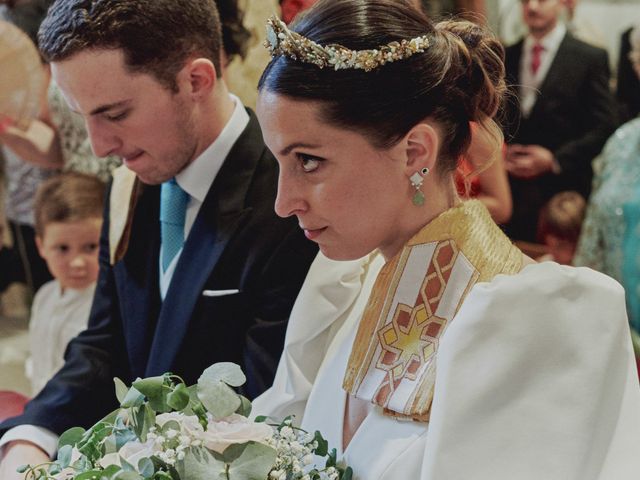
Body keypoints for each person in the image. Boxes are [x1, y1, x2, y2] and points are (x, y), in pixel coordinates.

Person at [251, 1, 640, 478]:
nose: (283, 202)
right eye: (279, 163)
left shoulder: (535, 321)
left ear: (415, 151)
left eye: (309, 161)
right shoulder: (344, 282)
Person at [0, 0, 317, 477]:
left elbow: (265, 409)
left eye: (115, 113)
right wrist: (33, 436)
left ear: (196, 80)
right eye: (81, 115)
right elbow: (106, 341)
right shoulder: (130, 184)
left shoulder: (288, 203)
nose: (98, 145)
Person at [502, 0, 616, 242]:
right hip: (514, 195)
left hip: (565, 192)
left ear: (563, 3)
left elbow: (604, 125)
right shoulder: (506, 55)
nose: (532, 7)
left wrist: (555, 160)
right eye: (524, 1)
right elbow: (497, 118)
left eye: (542, 0)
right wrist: (502, 152)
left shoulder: (590, 57)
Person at [27, 172, 105, 396]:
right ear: (41, 246)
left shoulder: (106, 306)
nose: (77, 262)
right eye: (62, 248)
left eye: (91, 247)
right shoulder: (45, 295)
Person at [535, 190, 585, 264]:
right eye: (549, 244)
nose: (553, 253)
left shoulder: (590, 269)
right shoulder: (545, 263)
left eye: (561, 246)